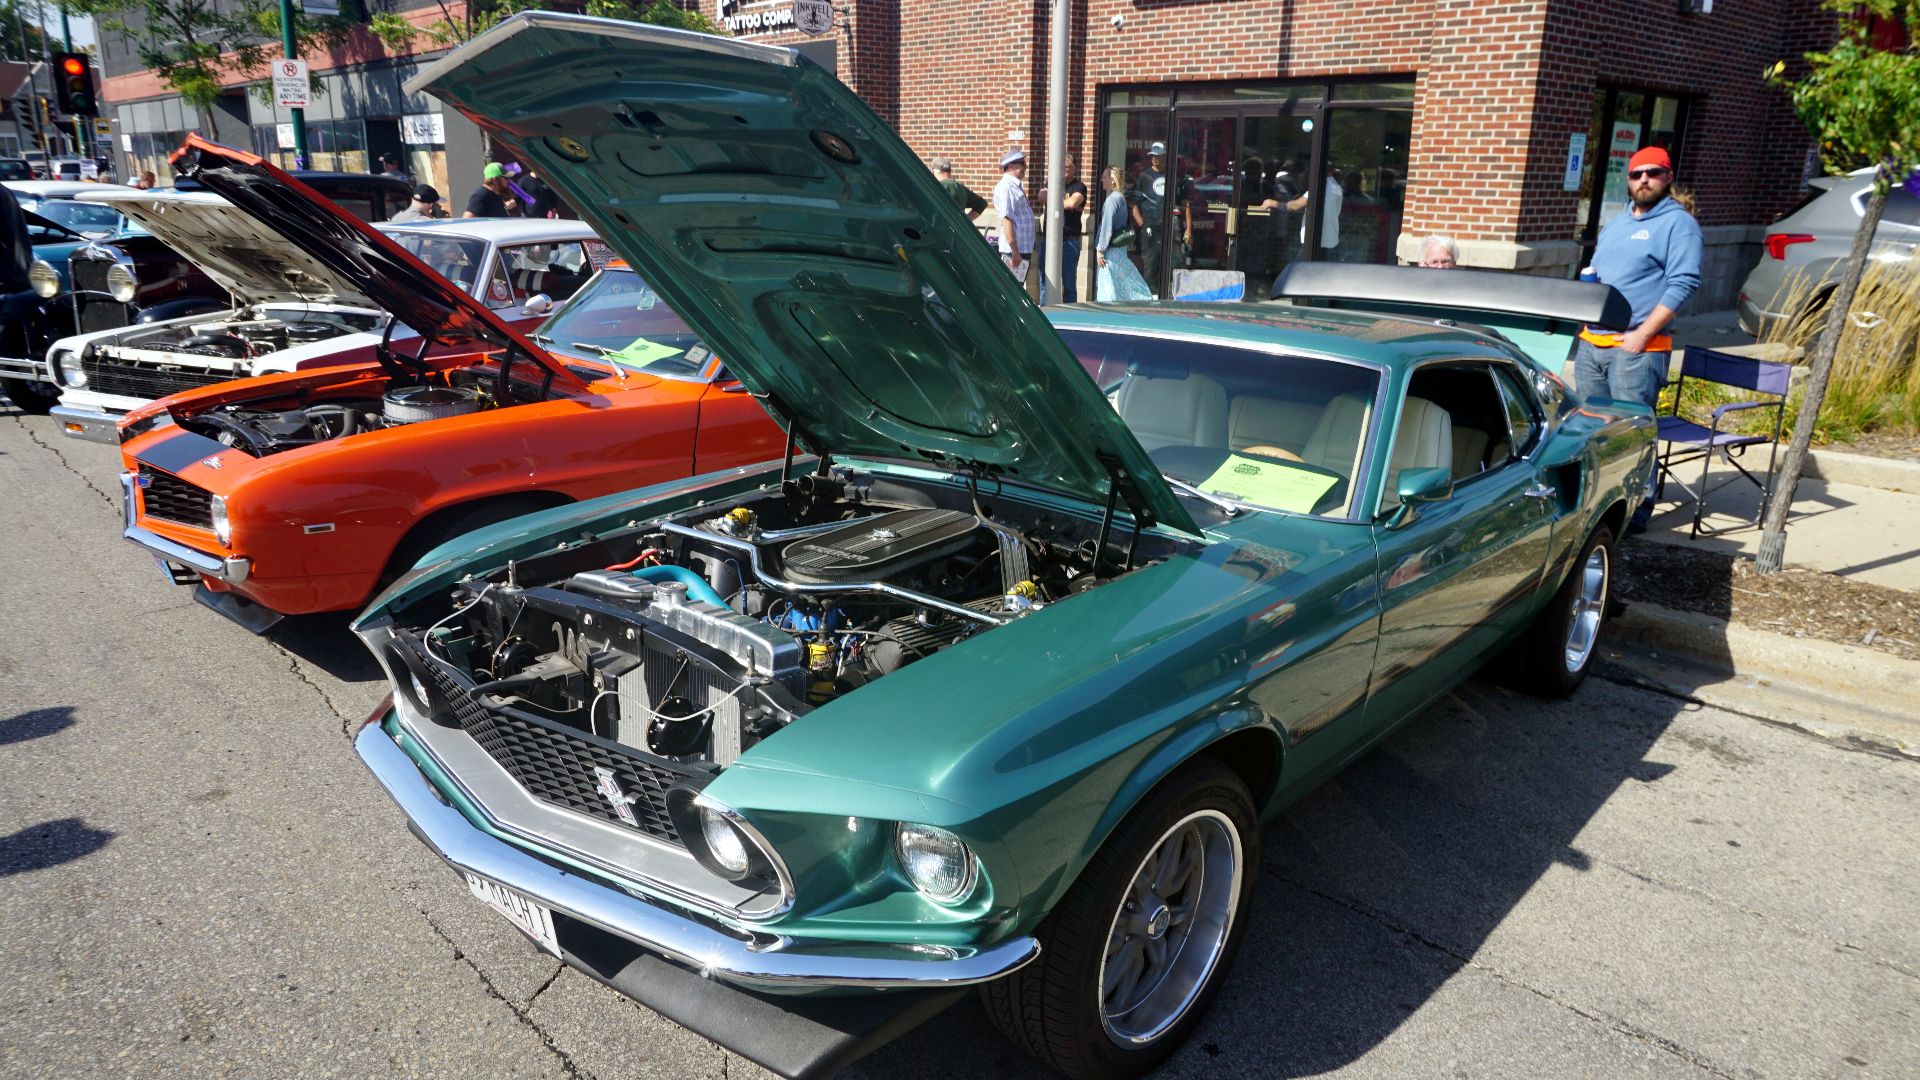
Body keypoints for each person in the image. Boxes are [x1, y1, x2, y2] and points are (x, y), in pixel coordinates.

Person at [1575, 144, 1703, 531]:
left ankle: (1636, 512)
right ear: (1628, 180)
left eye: (1653, 172)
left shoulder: (1678, 224)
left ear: (1668, 177)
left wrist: (1643, 334)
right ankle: (1605, 504)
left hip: (1638, 348)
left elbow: (1684, 284)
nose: (1644, 179)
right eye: (1636, 174)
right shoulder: (1616, 223)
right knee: (1596, 431)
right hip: (1594, 345)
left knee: (1635, 434)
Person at [1094, 165, 1154, 302]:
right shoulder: (1120, 198)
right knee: (1122, 285)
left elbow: (1106, 226)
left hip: (1110, 253)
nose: (1101, 179)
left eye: (1104, 177)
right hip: (1119, 251)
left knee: (1108, 288)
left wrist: (1100, 250)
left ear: (1113, 180)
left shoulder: (1112, 200)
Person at [1035, 154, 1088, 303]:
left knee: (1069, 283)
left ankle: (1069, 313)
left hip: (1069, 241)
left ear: (1074, 168)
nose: (1062, 170)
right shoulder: (1049, 183)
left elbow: (1073, 203)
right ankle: (1046, 311)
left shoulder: (1079, 186)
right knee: (1045, 280)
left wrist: (1054, 201)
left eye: (1066, 167)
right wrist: (1065, 202)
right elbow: (1041, 197)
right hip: (1048, 240)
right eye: (1060, 166)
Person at [992, 148, 1035, 284]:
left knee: (1016, 288)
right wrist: (1015, 250)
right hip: (1014, 251)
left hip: (1021, 249)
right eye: (1022, 163)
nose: (1025, 167)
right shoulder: (1005, 187)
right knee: (1010, 289)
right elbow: (1007, 220)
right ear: (1010, 166)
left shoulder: (1014, 186)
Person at [1128, 142, 1167, 285]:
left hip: (1166, 227)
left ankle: (1162, 289)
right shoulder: (1145, 176)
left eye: (1157, 156)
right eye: (1152, 156)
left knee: (1165, 259)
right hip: (1149, 226)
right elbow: (1134, 203)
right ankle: (1149, 290)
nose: (1154, 159)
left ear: (1164, 157)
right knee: (1149, 260)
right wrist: (1142, 223)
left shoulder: (1171, 174)